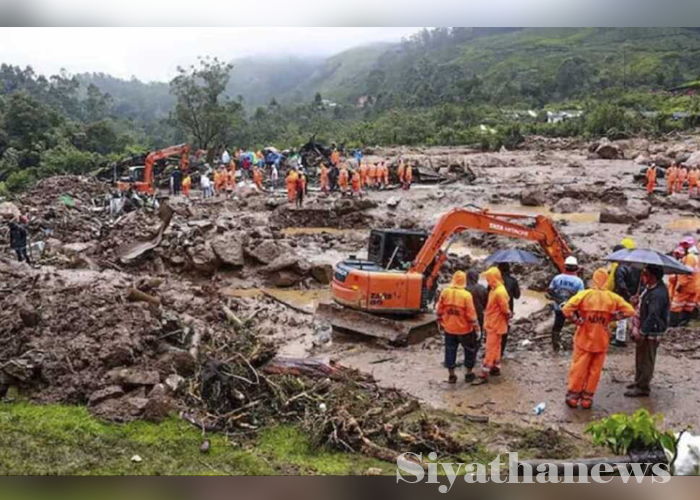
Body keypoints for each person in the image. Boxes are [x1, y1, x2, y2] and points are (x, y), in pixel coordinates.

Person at [563, 268, 635, 409]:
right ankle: (587, 399)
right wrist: (613, 317)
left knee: (579, 368)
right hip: (601, 340)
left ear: (594, 279)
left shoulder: (585, 295)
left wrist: (576, 320)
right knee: (595, 371)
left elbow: (566, 309)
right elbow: (630, 311)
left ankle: (573, 396)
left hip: (584, 338)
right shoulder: (612, 297)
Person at [625, 265, 670, 398]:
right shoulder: (650, 289)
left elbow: (653, 315)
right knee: (640, 356)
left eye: (645, 274)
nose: (643, 276)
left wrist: (643, 332)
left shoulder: (658, 294)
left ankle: (643, 387)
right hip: (645, 327)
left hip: (651, 330)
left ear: (652, 276)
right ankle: (638, 381)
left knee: (647, 359)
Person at [436, 271, 480, 384]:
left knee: (450, 350)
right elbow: (471, 315)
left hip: (449, 329)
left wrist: (440, 322)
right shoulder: (466, 295)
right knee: (469, 350)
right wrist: (477, 329)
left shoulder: (445, 292)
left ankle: (451, 375)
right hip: (465, 330)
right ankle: (468, 373)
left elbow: (439, 310)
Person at [473, 267, 511, 385]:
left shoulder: (499, 291)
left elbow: (505, 309)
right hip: (494, 323)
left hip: (495, 324)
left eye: (488, 279)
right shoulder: (496, 289)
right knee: (496, 346)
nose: (487, 281)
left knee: (490, 348)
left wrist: (508, 315)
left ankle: (484, 373)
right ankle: (495, 367)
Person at [548, 256, 585, 352]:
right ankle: (578, 343)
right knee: (579, 324)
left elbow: (550, 291)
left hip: (559, 307)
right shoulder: (578, 281)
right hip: (573, 309)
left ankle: (555, 346)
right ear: (576, 267)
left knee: (557, 326)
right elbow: (580, 297)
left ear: (565, 266)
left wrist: (559, 300)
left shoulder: (557, 278)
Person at [611, 238, 641, 347]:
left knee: (622, 318)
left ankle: (620, 339)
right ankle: (633, 333)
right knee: (633, 315)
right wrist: (636, 295)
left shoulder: (620, 268)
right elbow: (640, 281)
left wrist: (627, 295)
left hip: (624, 296)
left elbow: (620, 284)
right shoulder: (636, 266)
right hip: (635, 294)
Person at [497, 263, 521, 357]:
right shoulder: (512, 281)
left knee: (494, 331)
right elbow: (517, 296)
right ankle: (501, 352)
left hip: (495, 310)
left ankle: (494, 351)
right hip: (508, 310)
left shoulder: (495, 281)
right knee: (504, 330)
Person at [466, 269, 488, 334]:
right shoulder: (482, 288)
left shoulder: (464, 289)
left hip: (466, 315)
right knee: (478, 333)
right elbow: (486, 303)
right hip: (479, 313)